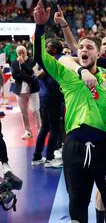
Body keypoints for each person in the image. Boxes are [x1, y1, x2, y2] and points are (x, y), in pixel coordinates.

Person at [33, 0, 106, 223]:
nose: (84, 49)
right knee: (76, 201)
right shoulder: (67, 74)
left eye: (90, 47)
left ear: (98, 53)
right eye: (82, 47)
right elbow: (41, 57)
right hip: (74, 148)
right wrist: (40, 28)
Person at [31, 39, 64, 168]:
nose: (46, 48)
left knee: (45, 128)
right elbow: (39, 76)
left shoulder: (45, 61)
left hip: (44, 97)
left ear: (54, 50)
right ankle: (50, 159)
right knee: (54, 129)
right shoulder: (51, 62)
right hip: (52, 98)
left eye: (48, 46)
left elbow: (38, 75)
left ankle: (37, 156)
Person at [11, 45, 41, 139]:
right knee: (23, 112)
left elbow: (32, 74)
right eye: (19, 53)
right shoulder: (14, 62)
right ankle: (27, 131)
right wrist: (26, 76)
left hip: (32, 90)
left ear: (26, 52)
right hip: (19, 91)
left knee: (35, 110)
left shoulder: (32, 61)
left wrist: (23, 64)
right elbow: (15, 76)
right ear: (16, 53)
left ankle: (39, 129)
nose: (21, 55)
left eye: (22, 52)